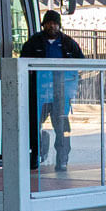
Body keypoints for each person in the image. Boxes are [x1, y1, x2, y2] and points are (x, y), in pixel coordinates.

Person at [20, 10, 85, 170]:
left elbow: (82, 62)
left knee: (62, 128)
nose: (52, 26)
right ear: (44, 24)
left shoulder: (69, 43)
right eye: (49, 23)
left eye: (55, 23)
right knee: (33, 126)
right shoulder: (34, 42)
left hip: (60, 93)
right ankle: (34, 156)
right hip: (38, 94)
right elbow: (22, 64)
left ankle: (62, 159)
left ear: (59, 25)